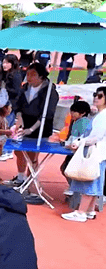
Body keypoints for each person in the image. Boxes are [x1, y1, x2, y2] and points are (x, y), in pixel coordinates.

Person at [10, 62, 59, 188]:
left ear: (41, 76)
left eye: (33, 75)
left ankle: (30, 180)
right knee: (19, 152)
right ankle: (20, 177)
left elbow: (47, 113)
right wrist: (19, 118)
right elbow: (18, 104)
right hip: (24, 124)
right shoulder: (25, 88)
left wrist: (31, 129)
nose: (29, 77)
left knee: (32, 155)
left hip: (40, 127)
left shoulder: (50, 92)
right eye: (28, 74)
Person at [61, 87, 106, 222]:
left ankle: (81, 212)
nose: (96, 98)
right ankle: (89, 210)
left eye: (99, 96)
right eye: (95, 95)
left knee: (89, 182)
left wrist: (80, 142)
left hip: (96, 152)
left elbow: (96, 137)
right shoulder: (99, 115)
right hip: (98, 153)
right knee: (95, 181)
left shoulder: (102, 117)